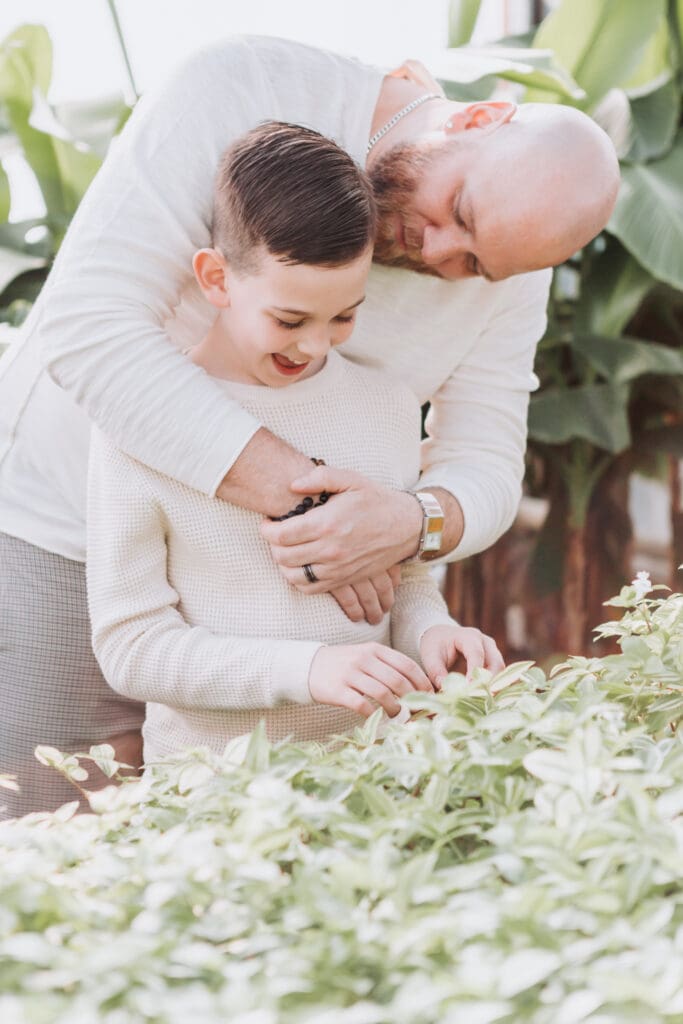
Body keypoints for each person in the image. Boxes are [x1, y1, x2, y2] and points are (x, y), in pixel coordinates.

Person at [0, 36, 620, 818]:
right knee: (48, 838)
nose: (436, 252)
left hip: (296, 647)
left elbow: (484, 460)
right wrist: (318, 517)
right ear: (480, 118)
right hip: (69, 539)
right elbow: (93, 330)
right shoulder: (241, 85)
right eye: (455, 212)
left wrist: (410, 524)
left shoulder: (510, 261)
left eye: (474, 265)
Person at [87, 122, 504, 762]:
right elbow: (133, 648)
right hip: (211, 807)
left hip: (369, 787)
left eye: (344, 315)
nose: (314, 346)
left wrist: (434, 634)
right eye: (289, 320)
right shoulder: (140, 425)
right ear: (217, 279)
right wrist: (308, 669)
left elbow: (407, 583)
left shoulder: (388, 407)